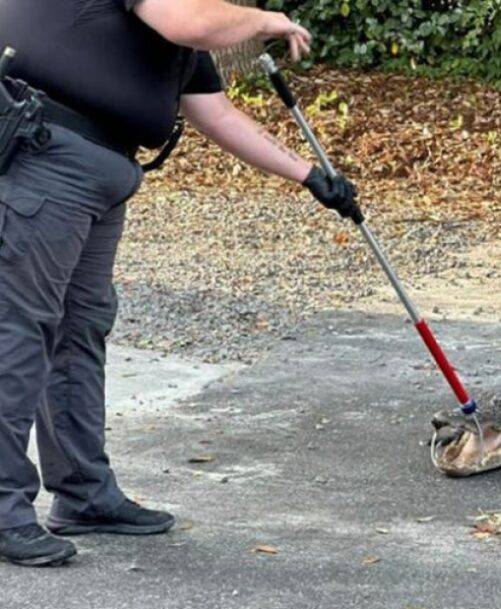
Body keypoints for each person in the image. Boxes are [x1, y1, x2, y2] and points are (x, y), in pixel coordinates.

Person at [0, 0, 359, 567]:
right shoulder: (183, 14)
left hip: (98, 170)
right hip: (42, 152)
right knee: (19, 330)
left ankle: (84, 495)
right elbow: (190, 21)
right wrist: (268, 21)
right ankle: (3, 511)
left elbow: (215, 113)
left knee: (79, 331)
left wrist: (311, 175)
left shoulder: (174, 36)